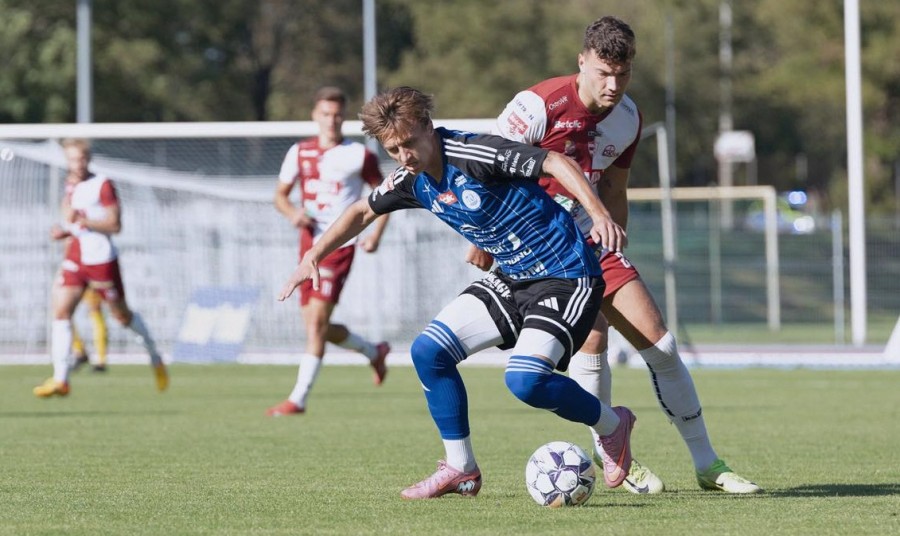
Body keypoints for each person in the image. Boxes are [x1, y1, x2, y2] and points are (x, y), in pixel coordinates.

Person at [279, 86, 634, 500]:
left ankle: (613, 425)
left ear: (429, 127)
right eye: (394, 149)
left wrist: (599, 214)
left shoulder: (474, 154)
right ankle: (460, 468)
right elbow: (361, 211)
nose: (405, 155)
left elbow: (555, 161)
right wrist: (314, 256)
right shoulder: (410, 180)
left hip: (566, 273)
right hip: (513, 277)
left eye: (410, 143)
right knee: (428, 352)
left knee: (525, 381)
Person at [481, 15, 760, 494]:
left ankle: (708, 464)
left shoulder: (629, 116)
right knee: (591, 346)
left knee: (661, 344)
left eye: (623, 74)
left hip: (592, 240)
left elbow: (615, 185)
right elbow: (486, 169)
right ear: (582, 61)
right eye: (603, 73)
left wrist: (618, 242)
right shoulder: (535, 106)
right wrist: (483, 239)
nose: (613, 85)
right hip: (536, 247)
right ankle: (611, 455)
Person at [266, 86, 391, 417]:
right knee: (316, 327)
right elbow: (280, 195)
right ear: (314, 116)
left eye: (337, 115)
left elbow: (385, 195)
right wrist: (294, 213)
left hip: (340, 245)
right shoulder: (299, 152)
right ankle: (373, 350)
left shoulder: (358, 155)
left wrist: (375, 234)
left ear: (344, 117)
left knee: (317, 324)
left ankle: (298, 399)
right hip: (308, 245)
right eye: (325, 114)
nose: (331, 120)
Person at [34, 138, 168, 397]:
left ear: (89, 158)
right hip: (75, 257)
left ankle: (155, 355)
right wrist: (65, 232)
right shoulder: (70, 184)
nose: (78, 164)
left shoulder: (102, 184)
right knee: (61, 312)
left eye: (82, 159)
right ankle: (61, 379)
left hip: (101, 260)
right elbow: (75, 224)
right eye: (72, 160)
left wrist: (84, 220)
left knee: (121, 316)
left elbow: (114, 225)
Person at [70, 288, 110, 372]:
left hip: (90, 280)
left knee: (95, 312)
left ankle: (100, 360)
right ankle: (80, 352)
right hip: (73, 277)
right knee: (63, 315)